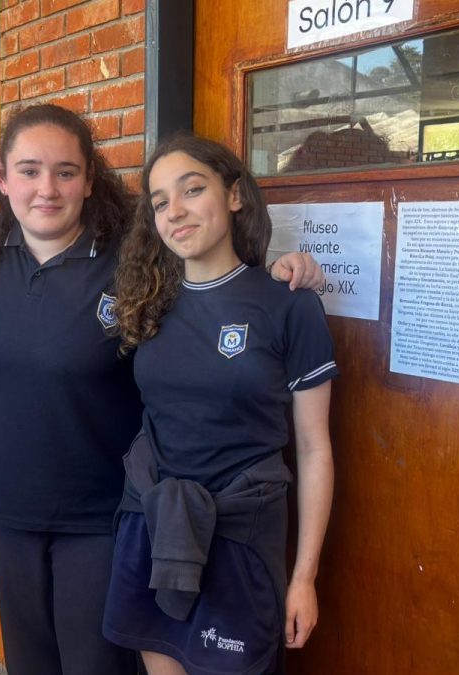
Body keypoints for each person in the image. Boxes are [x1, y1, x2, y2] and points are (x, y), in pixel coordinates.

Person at [0, 104, 324, 675]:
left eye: (66, 171)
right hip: (11, 509)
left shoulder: (130, 261)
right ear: (3, 179)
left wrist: (282, 266)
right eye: (28, 171)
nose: (47, 188)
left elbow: (212, 269)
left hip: (108, 512)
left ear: (89, 180)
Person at [104, 135, 337, 675]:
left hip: (240, 535)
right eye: (160, 201)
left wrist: (304, 577)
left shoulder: (290, 305)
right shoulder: (148, 303)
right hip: (153, 526)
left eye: (192, 190)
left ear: (233, 196)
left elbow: (314, 449)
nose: (175, 211)